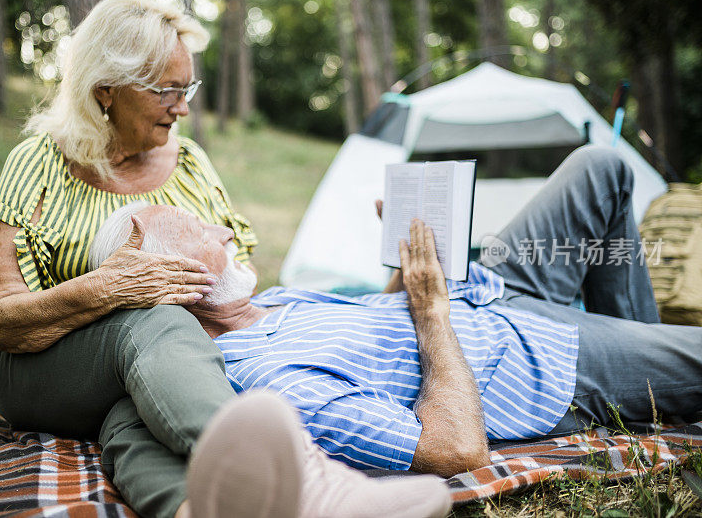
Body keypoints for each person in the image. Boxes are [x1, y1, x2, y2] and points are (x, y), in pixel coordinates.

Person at [0, 0, 452, 518]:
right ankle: (311, 484)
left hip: (160, 369)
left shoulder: (190, 163)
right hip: (40, 368)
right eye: (168, 91)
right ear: (105, 89)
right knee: (152, 321)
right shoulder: (38, 162)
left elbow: (236, 285)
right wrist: (110, 288)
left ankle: (197, 509)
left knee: (135, 417)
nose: (183, 108)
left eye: (189, 88)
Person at [89, 146, 702, 478]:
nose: (223, 229)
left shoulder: (264, 302)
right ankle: (643, 364)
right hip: (531, 358)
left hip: (487, 290)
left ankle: (642, 346)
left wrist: (405, 264)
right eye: (197, 230)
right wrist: (431, 306)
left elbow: (377, 332)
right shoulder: (267, 384)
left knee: (601, 168)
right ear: (166, 279)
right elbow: (455, 450)